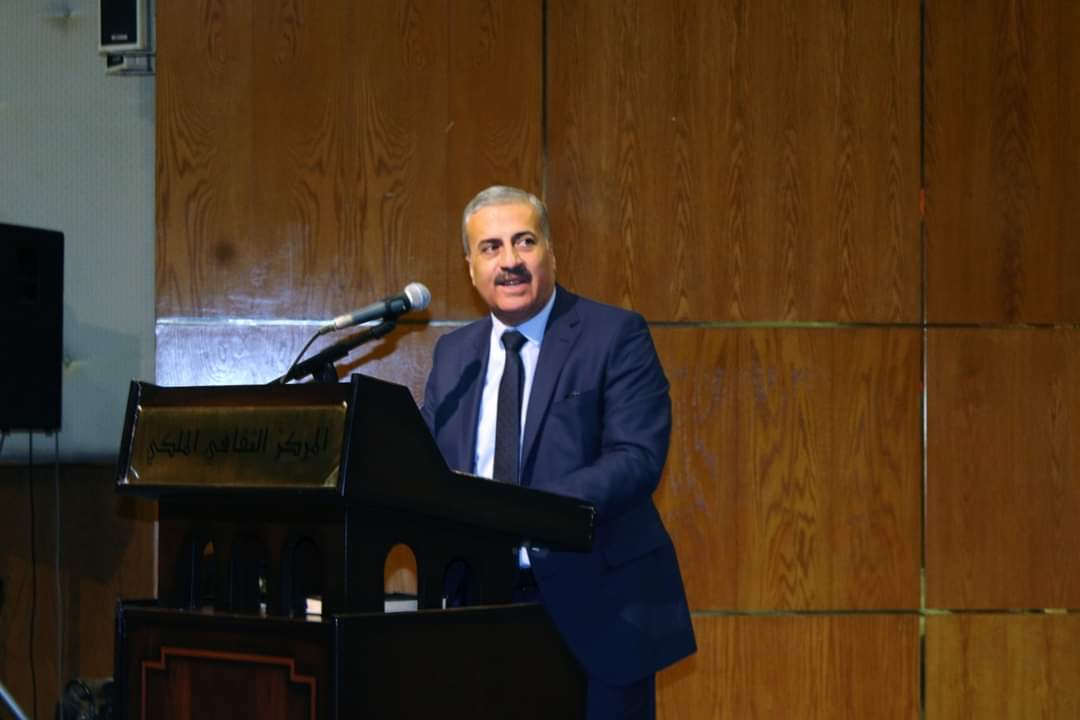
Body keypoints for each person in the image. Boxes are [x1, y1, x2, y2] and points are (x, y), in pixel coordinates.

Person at [421, 185, 695, 719]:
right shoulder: (454, 355)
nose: (510, 261)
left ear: (551, 252)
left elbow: (637, 456)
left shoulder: (614, 334)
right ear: (471, 268)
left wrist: (525, 513)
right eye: (491, 247)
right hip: (478, 609)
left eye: (524, 242)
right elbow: (431, 470)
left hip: (598, 607)